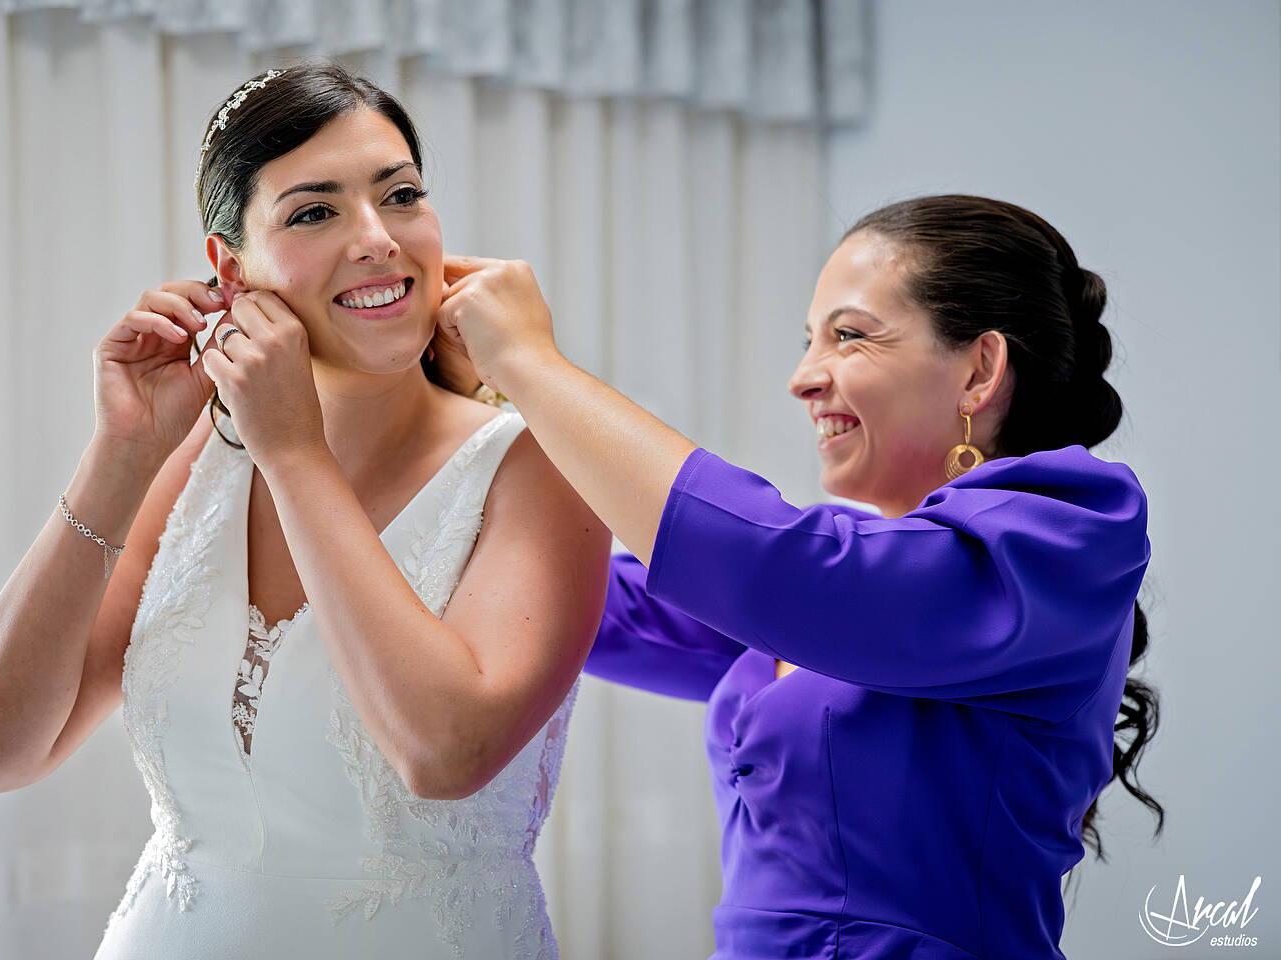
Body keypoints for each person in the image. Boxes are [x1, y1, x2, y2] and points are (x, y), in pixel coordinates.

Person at [0, 63, 610, 960]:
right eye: (314, 211)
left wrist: (294, 454)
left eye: (400, 194)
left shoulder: (538, 467)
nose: (376, 239)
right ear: (230, 268)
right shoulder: (197, 469)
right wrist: (122, 456)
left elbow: (447, 752)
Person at [437, 194, 1164, 959]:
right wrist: (463, 410)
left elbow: (769, 565)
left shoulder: (1068, 532)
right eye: (809, 340)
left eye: (848, 336)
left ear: (979, 370)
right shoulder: (858, 579)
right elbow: (585, 604)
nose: (802, 378)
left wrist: (528, 364)